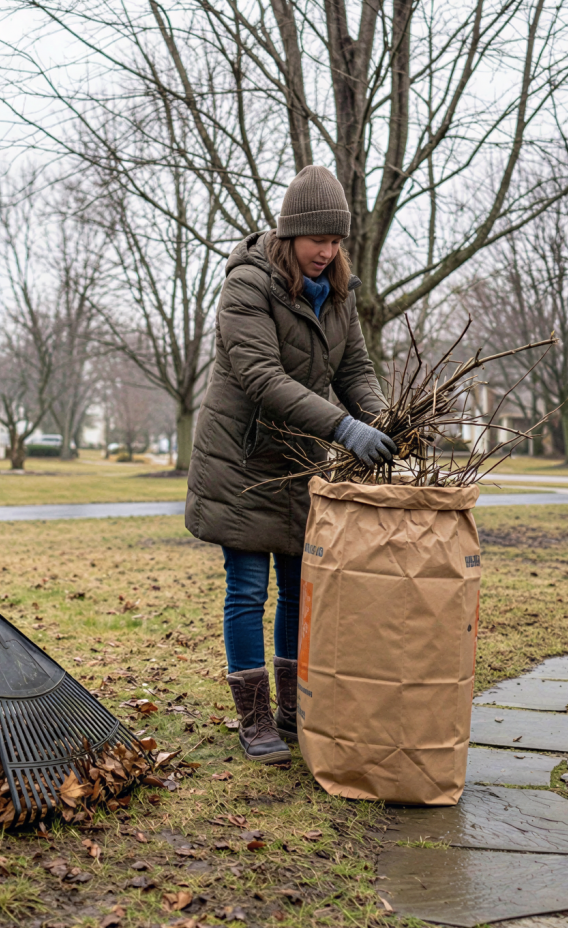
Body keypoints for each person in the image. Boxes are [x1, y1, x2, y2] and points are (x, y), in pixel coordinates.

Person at [185, 165, 394, 764]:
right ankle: (253, 721)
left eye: (335, 241)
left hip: (299, 461)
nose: (326, 251)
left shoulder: (341, 293)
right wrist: (342, 427)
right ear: (290, 235)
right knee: (248, 588)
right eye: (316, 240)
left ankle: (291, 708)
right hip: (243, 457)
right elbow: (259, 376)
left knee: (301, 590)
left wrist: (381, 421)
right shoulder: (247, 284)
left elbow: (354, 370)